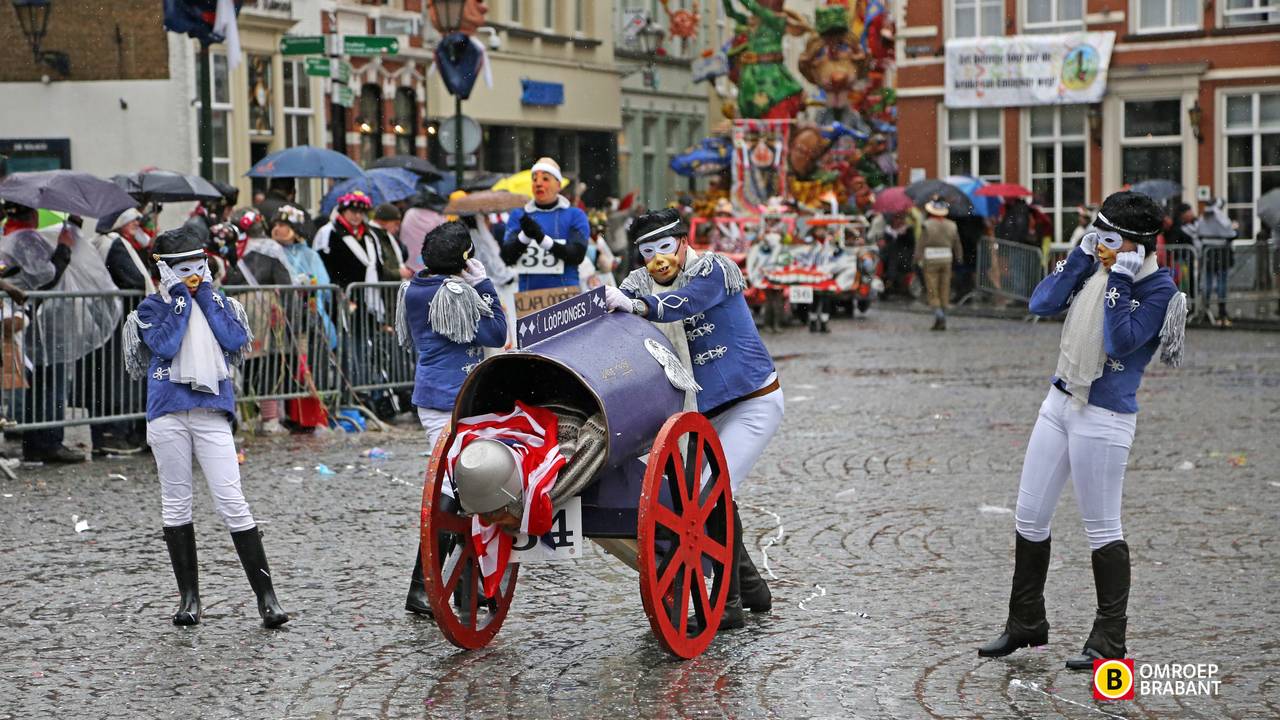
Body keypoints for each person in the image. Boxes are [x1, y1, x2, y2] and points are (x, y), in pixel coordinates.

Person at [976, 191, 1186, 670]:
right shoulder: (1093, 263)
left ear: (1133, 243)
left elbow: (1120, 340)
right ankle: (1026, 621)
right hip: (1060, 401)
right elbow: (1041, 301)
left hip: (1105, 416)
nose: (1099, 241)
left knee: (1102, 528)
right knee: (1029, 516)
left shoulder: (1160, 293)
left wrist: (1121, 280)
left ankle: (1109, 639)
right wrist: (1080, 256)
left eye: (1107, 235)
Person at [605, 207, 779, 629]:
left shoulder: (714, 270)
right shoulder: (641, 284)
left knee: (707, 496)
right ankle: (751, 585)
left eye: (666, 247)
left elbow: (686, 303)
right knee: (698, 497)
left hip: (753, 403)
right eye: (648, 251)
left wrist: (638, 305)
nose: (658, 258)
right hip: (703, 416)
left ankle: (728, 603)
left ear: (684, 242)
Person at [121, 227, 289, 628]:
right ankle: (189, 599)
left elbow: (233, 338)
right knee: (176, 502)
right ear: (164, 270)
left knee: (233, 500)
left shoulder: (220, 301)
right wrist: (180, 299)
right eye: (183, 268)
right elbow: (164, 346)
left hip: (212, 411)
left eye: (199, 264)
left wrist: (207, 298)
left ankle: (267, 599)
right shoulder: (150, 308)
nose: (193, 273)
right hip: (168, 412)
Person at [395, 221, 508, 615]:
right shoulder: (456, 293)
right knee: (455, 489)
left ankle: (465, 586)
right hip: (454, 397)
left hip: (438, 394)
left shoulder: (414, 287)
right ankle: (424, 585)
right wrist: (486, 287)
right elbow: (496, 333)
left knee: (466, 489)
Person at [0, 202, 85, 463]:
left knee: (38, 383)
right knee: (50, 381)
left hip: (26, 320)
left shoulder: (7, 237)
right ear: (34, 214)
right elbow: (47, 276)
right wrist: (65, 245)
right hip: (39, 323)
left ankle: (36, 443)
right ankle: (48, 442)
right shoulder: (25, 239)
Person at [499, 157, 591, 291]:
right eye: (534, 179)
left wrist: (543, 240)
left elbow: (577, 255)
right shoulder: (518, 215)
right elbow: (507, 257)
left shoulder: (575, 215)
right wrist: (524, 236)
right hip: (529, 299)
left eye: (545, 179)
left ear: (558, 185)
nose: (538, 183)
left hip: (566, 296)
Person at [914, 197, 963, 331]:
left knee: (932, 289)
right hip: (947, 258)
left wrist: (917, 258)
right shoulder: (952, 225)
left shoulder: (927, 224)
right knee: (944, 287)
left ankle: (939, 315)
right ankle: (942, 317)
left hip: (931, 259)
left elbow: (921, 244)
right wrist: (959, 257)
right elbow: (957, 243)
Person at [1190, 198, 1236, 327]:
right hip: (1220, 252)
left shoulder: (1204, 217)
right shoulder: (1220, 217)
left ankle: (1206, 306)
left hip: (1208, 252)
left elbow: (1197, 233)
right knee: (1221, 281)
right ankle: (1222, 309)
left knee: (1208, 280)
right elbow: (1230, 233)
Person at [370, 203, 412, 281]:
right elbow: (379, 267)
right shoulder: (372, 235)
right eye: (395, 224)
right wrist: (398, 273)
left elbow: (404, 254)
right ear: (382, 221)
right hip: (383, 287)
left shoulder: (389, 235)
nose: (397, 229)